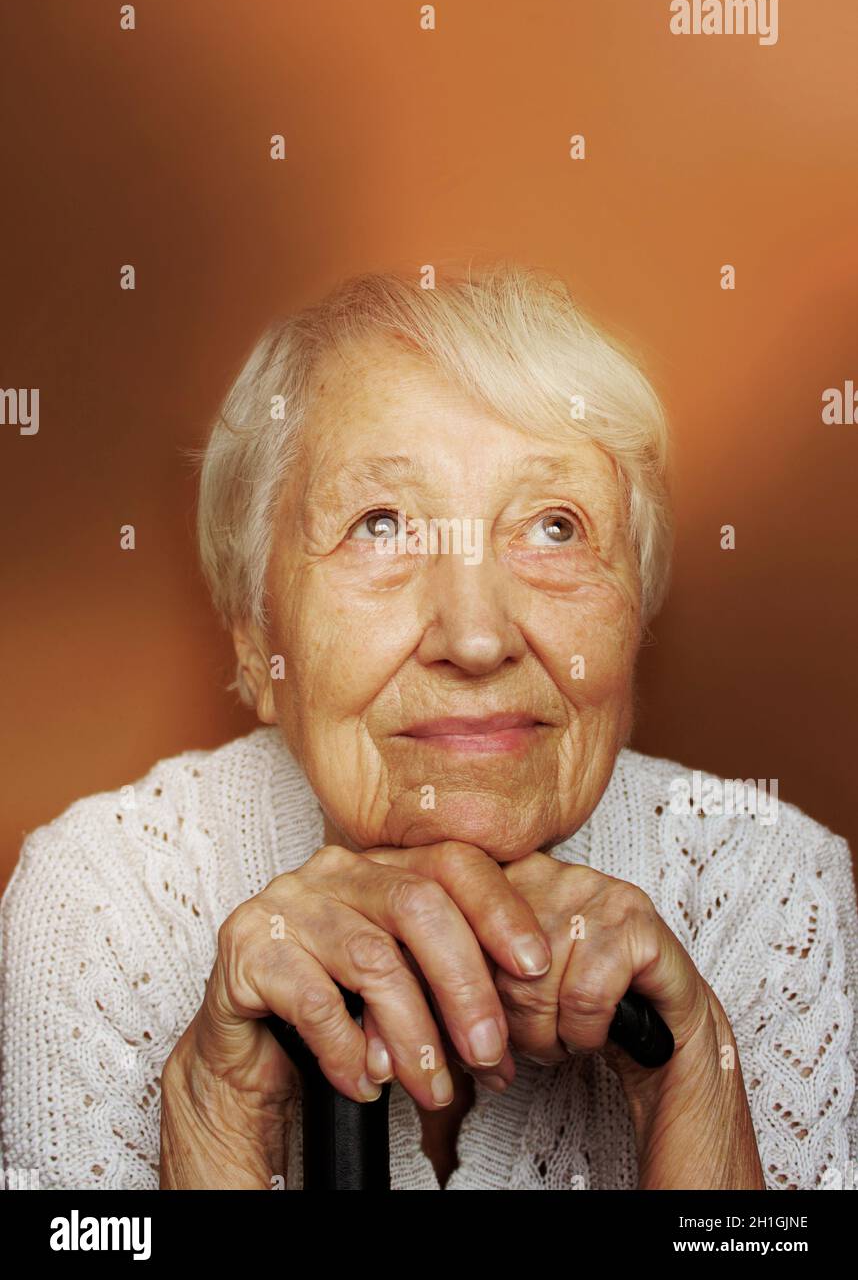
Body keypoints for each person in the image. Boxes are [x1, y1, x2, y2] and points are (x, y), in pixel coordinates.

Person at [2, 264, 856, 1190]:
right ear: (255, 641)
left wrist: (694, 1083)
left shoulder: (770, 881)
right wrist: (216, 1117)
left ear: (635, 615)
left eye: (556, 527)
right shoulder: (107, 896)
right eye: (380, 525)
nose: (478, 636)